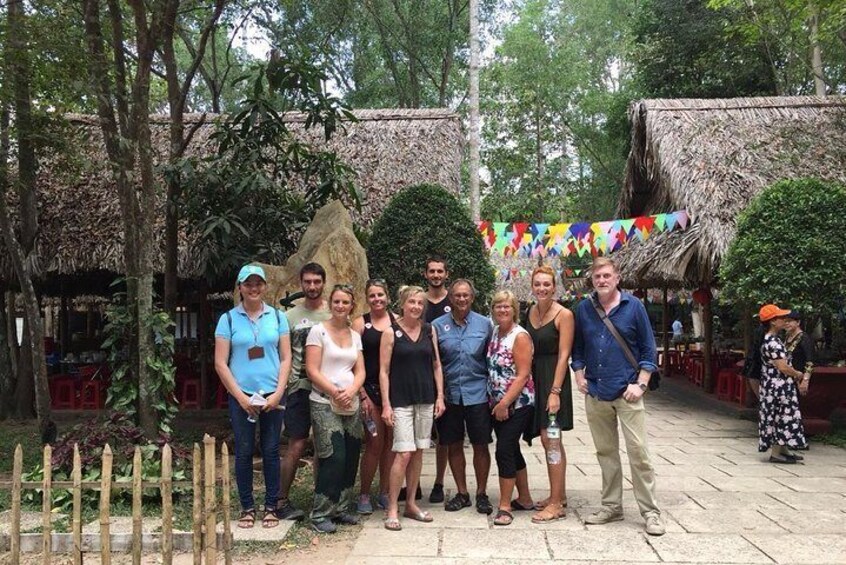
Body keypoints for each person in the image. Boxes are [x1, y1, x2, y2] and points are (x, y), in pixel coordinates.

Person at [571, 256, 664, 536]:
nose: (602, 281)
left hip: (628, 392)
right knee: (606, 453)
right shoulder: (584, 309)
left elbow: (649, 350)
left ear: (617, 277)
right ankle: (612, 506)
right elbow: (578, 349)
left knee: (639, 453)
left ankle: (650, 512)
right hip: (597, 392)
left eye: (606, 276)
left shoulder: (634, 307)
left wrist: (642, 384)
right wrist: (578, 374)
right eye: (597, 277)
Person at [214, 265, 292, 529]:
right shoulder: (228, 319)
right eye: (248, 284)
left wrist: (279, 392)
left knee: (271, 450)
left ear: (265, 287)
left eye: (258, 283)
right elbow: (220, 363)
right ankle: (247, 507)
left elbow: (286, 357)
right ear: (240, 287)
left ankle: (271, 506)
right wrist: (240, 398)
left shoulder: (278, 318)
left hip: (272, 394)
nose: (254, 288)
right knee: (244, 451)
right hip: (242, 395)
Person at [380, 286, 446, 531]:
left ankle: (410, 503)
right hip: (401, 401)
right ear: (403, 304)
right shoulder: (391, 333)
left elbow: (436, 365)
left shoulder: (430, 331)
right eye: (412, 302)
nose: (416, 306)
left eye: (420, 303)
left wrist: (440, 396)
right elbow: (384, 371)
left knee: (419, 450)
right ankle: (392, 508)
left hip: (426, 399)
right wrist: (386, 404)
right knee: (403, 453)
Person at [305, 284, 366, 533]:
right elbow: (312, 369)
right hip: (323, 401)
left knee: (351, 454)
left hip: (350, 402)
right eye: (337, 302)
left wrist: (351, 391)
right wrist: (334, 392)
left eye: (346, 302)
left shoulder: (355, 335)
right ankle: (320, 513)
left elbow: (360, 370)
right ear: (331, 304)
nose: (341, 306)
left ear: (352, 305)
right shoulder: (318, 332)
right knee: (333, 455)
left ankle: (341, 508)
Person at [432, 279, 494, 515]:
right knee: (453, 444)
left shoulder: (484, 324)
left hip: (477, 393)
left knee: (481, 445)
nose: (461, 299)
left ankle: (481, 493)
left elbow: (491, 359)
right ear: (450, 298)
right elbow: (435, 362)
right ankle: (462, 492)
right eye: (457, 295)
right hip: (449, 395)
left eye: (466, 295)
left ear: (472, 297)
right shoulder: (437, 326)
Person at [276, 263, 330, 521]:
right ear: (301, 283)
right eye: (307, 282)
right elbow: (282, 354)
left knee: (324, 446)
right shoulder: (289, 317)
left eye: (316, 282)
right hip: (299, 388)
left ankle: (321, 502)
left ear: (323, 283)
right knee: (296, 444)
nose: (312, 287)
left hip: (327, 388)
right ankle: (281, 499)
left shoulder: (332, 313)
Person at [525, 265, 574, 523]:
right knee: (548, 440)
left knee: (551, 438)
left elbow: (564, 355)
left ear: (554, 287)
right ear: (532, 286)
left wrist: (555, 391)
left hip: (554, 381)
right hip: (535, 379)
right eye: (538, 284)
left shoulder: (564, 315)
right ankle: (560, 494)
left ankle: (556, 504)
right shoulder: (530, 312)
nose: (542, 288)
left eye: (547, 284)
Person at [487, 290, 535, 527]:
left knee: (504, 449)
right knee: (512, 449)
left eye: (507, 306)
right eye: (498, 306)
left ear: (514, 309)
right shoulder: (496, 332)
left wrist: (505, 403)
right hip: (496, 403)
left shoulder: (520, 336)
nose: (502, 310)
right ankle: (524, 498)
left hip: (517, 403)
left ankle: (505, 505)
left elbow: (523, 374)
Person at [351, 279, 396, 514]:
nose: (377, 299)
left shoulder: (398, 321)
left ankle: (385, 492)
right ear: (367, 299)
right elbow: (351, 361)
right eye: (372, 296)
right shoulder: (360, 323)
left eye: (380, 295)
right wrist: (361, 394)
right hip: (368, 391)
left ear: (387, 296)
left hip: (393, 392)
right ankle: (365, 493)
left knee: (390, 444)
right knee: (374, 443)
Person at [757, 304, 808, 464]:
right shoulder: (773, 342)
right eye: (780, 318)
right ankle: (777, 453)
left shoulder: (773, 340)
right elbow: (782, 366)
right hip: (778, 386)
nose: (784, 321)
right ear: (772, 322)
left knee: (782, 416)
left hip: (776, 385)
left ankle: (783, 449)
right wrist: (798, 374)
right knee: (780, 416)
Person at [423, 254, 451, 503]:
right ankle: (413, 482)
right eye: (432, 271)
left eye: (439, 271)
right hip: (419, 374)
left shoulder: (454, 301)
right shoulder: (418, 301)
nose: (436, 275)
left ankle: (439, 482)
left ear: (446, 274)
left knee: (443, 434)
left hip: (447, 375)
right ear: (426, 274)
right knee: (418, 432)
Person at [784, 311, 814, 399]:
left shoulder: (804, 338)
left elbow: (810, 361)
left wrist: (805, 380)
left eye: (789, 321)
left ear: (798, 322)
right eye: (785, 321)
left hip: (799, 378)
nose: (787, 323)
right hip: (788, 377)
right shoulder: (787, 337)